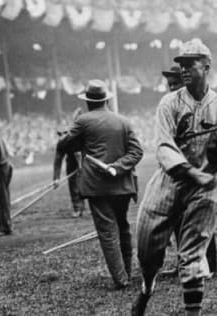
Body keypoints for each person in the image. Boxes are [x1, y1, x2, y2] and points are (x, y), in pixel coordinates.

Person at [132, 39, 217, 316]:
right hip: (168, 181)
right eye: (181, 64)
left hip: (206, 188)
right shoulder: (169, 103)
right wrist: (191, 173)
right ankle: (147, 288)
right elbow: (163, 147)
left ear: (207, 66)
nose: (183, 69)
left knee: (192, 258)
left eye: (190, 64)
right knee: (148, 253)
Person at [60, 79, 143, 290]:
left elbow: (65, 145)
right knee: (123, 227)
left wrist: (73, 133)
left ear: (88, 101)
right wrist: (118, 166)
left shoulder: (82, 121)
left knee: (108, 231)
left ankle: (121, 279)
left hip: (97, 187)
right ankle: (127, 273)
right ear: (106, 99)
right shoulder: (123, 121)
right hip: (123, 185)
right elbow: (137, 152)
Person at [161, 65, 217, 278]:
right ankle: (183, 263)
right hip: (178, 175)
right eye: (170, 85)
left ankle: (209, 265)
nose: (172, 88)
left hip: (198, 171)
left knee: (201, 220)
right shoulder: (168, 109)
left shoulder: (198, 107)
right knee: (178, 220)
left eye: (176, 84)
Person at [53, 108, 88, 218]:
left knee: (86, 183)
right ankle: (77, 207)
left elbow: (80, 154)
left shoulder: (81, 136)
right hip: (71, 160)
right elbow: (58, 160)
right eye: (59, 134)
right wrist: (56, 179)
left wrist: (81, 167)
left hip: (86, 157)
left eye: (63, 133)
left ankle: (86, 204)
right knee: (73, 184)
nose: (61, 136)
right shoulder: (62, 143)